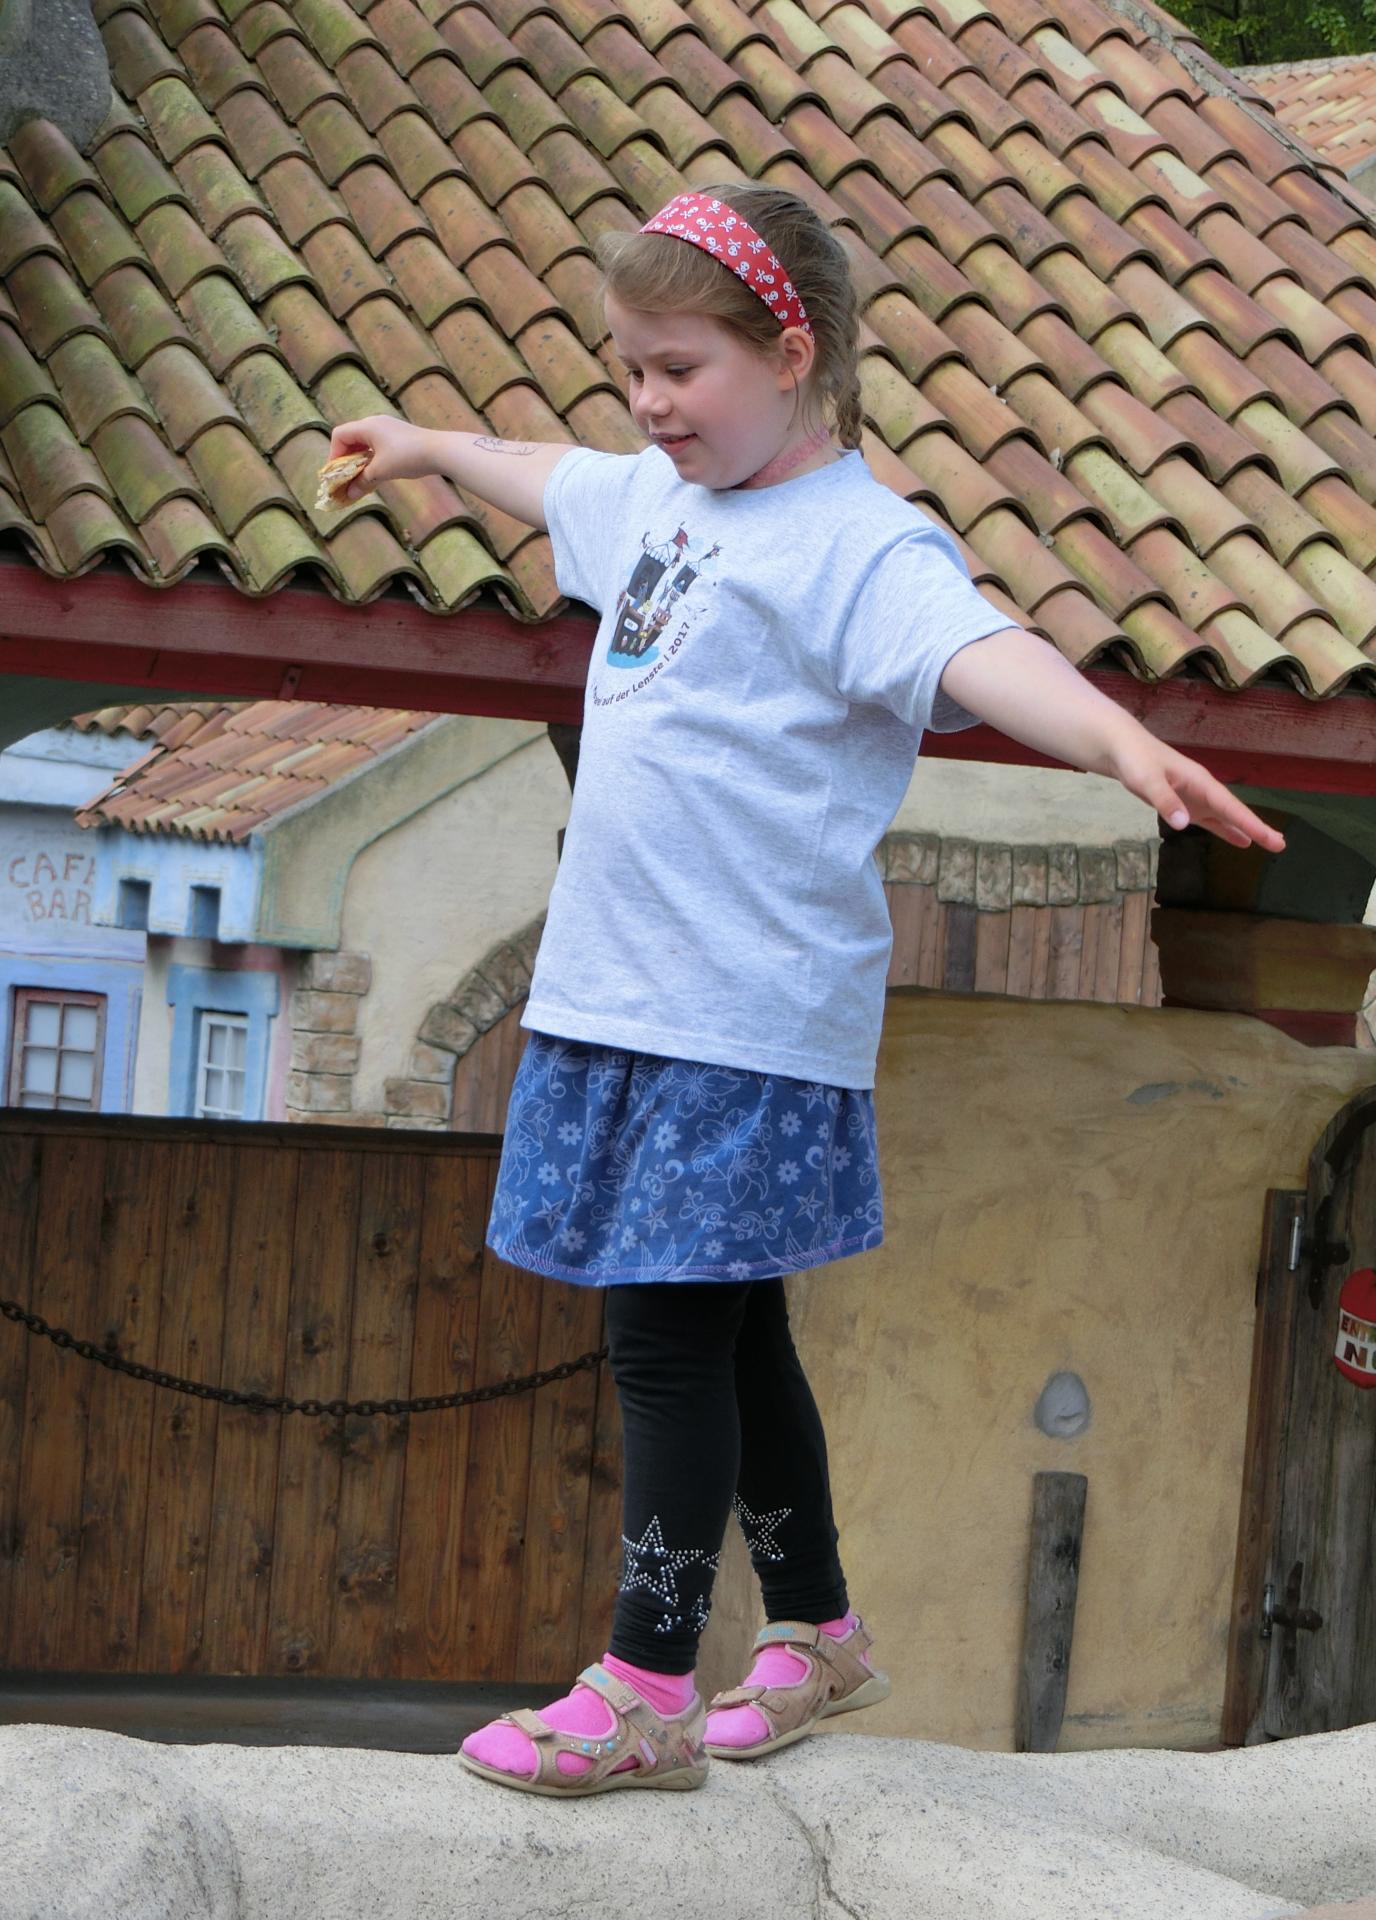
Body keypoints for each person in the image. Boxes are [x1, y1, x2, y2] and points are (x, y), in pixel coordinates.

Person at [328, 184, 1285, 1798]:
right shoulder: (659, 500)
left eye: (679, 368)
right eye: (630, 368)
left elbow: (982, 651)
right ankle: (821, 1630)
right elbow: (547, 473)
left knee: (663, 1341)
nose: (648, 401)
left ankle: (646, 1686)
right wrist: (423, 445)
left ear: (793, 354)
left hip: (740, 1026)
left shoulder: (859, 546)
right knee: (738, 1329)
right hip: (621, 1005)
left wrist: (1120, 740)